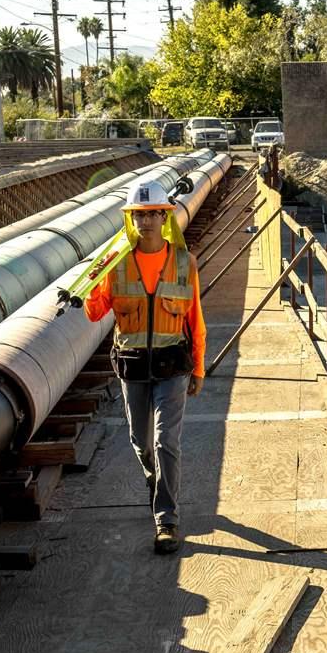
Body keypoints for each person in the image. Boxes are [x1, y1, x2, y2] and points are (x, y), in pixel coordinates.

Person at [83, 180, 205, 553]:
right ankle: (157, 485)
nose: (147, 221)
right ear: (131, 220)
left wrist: (198, 367)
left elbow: (195, 319)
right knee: (140, 442)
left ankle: (166, 519)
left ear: (164, 218)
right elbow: (93, 313)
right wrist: (94, 276)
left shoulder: (184, 262)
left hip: (172, 367)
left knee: (165, 440)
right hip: (133, 368)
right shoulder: (117, 265)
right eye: (140, 215)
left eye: (153, 214)